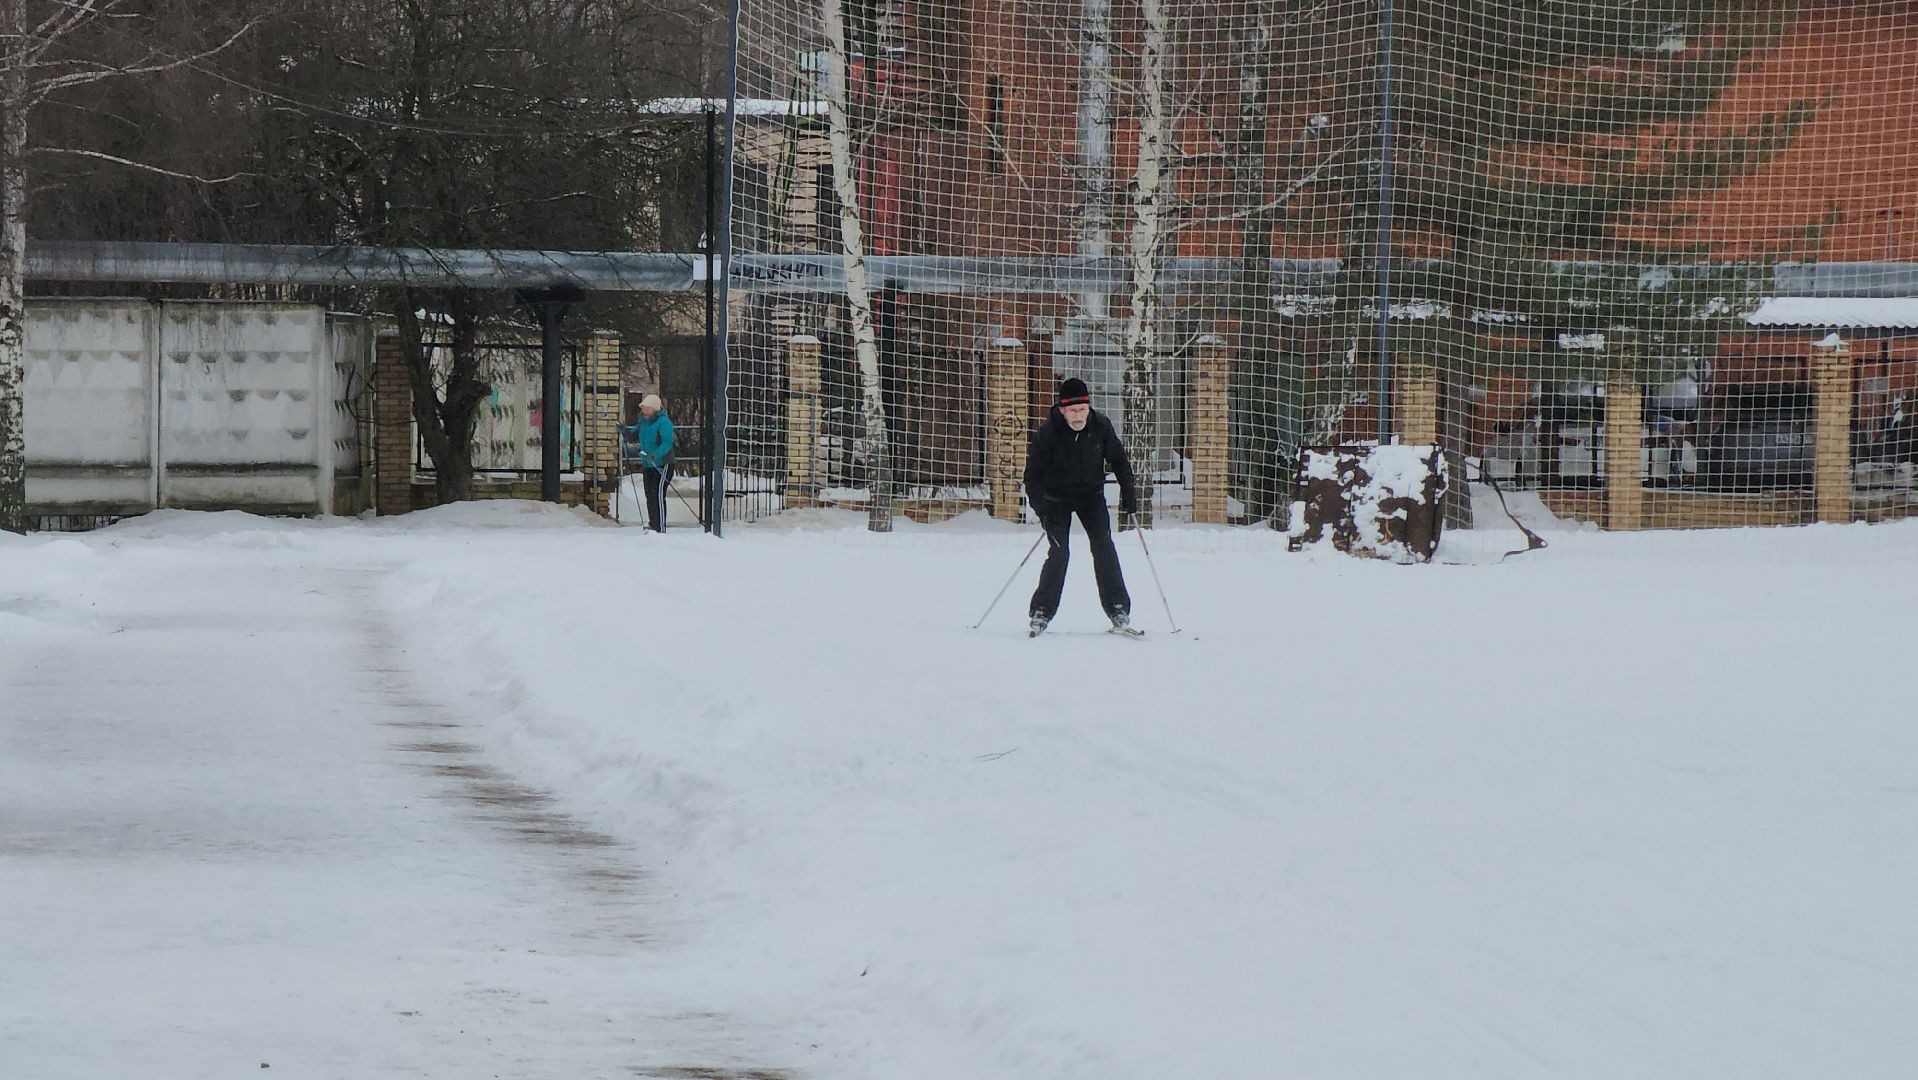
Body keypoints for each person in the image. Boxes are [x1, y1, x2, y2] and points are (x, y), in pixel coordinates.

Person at [1024, 377, 1138, 636]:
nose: (1079, 415)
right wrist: (1041, 508)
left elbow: (1119, 460)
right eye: (1073, 410)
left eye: (1083, 409)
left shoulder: (1101, 426)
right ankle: (1041, 611)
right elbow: (1032, 476)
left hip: (1090, 495)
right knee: (1060, 551)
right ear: (1062, 410)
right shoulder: (1048, 433)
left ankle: (1118, 607)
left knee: (1103, 545)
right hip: (1056, 500)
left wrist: (1129, 494)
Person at [622, 393, 676, 532]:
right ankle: (653, 523)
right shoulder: (643, 422)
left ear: (655, 409)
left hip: (663, 464)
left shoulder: (664, 422)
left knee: (658, 494)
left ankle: (661, 526)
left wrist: (655, 455)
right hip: (648, 464)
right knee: (649, 494)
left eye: (648, 408)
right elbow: (634, 433)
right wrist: (624, 431)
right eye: (644, 408)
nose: (645, 410)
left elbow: (667, 443)